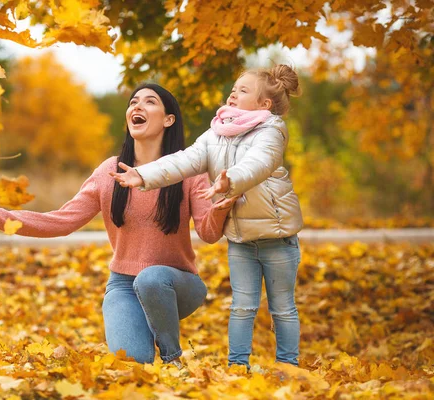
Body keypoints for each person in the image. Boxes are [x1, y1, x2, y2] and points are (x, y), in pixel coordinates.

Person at [0, 83, 235, 367]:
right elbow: (60, 222)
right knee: (131, 364)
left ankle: (173, 358)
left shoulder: (186, 172)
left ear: (168, 120)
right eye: (133, 102)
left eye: (150, 102)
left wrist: (221, 208)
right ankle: (146, 334)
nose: (137, 106)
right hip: (124, 285)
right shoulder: (109, 172)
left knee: (151, 279)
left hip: (177, 285)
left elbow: (209, 234)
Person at [110, 65, 304, 370]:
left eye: (243, 90)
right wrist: (143, 175)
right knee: (242, 307)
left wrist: (231, 180)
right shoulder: (217, 133)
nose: (233, 93)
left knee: (282, 309)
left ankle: (288, 366)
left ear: (264, 104)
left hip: (278, 237)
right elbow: (185, 160)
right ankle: (237, 367)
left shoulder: (272, 131)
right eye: (234, 88)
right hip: (240, 240)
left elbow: (259, 163)